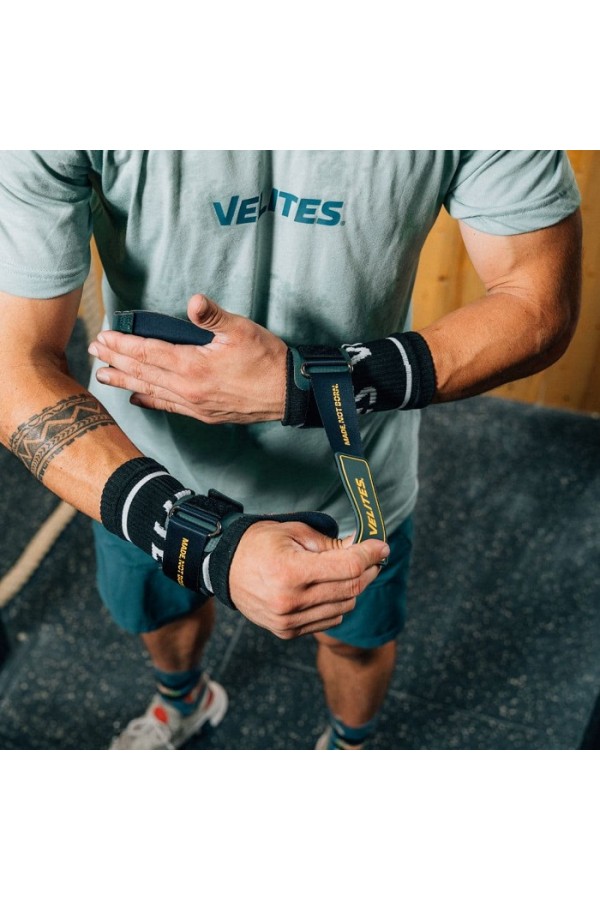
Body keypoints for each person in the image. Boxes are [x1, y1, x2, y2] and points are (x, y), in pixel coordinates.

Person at [0, 151, 582, 750]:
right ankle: (183, 703)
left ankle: (350, 747)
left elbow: (539, 305)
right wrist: (208, 547)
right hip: (141, 465)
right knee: (163, 612)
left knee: (353, 645)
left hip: (350, 481)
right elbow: (13, 366)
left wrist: (302, 385)